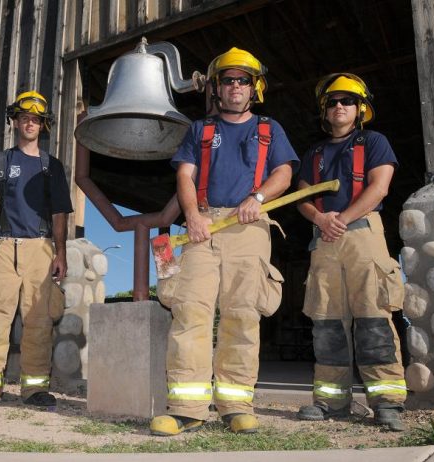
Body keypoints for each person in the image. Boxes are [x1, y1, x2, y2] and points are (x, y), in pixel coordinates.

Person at [151, 47, 298, 436]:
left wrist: (258, 198)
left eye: (243, 80)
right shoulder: (200, 130)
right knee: (190, 312)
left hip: (249, 226)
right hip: (203, 226)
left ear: (255, 88)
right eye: (228, 80)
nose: (235, 86)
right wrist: (194, 216)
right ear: (217, 88)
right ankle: (186, 407)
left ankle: (235, 405)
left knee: (243, 314)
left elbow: (283, 173)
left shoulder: (270, 128)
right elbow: (185, 175)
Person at [296, 73, 407, 431]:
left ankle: (387, 402)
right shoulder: (313, 153)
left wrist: (339, 219)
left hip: (362, 234)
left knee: (374, 316)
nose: (339, 106)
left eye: (347, 101)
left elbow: (380, 187)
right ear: (325, 112)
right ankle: (330, 402)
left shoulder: (374, 141)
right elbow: (301, 197)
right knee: (326, 321)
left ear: (360, 109)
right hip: (324, 240)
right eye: (332, 102)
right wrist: (319, 219)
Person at [0, 90, 73, 410]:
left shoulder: (51, 166)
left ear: (43, 126)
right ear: (15, 122)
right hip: (2, 244)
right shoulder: (0, 161)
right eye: (24, 118)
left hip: (39, 249)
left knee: (39, 321)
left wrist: (60, 253)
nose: (30, 123)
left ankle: (34, 389)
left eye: (36, 120)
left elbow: (59, 214)